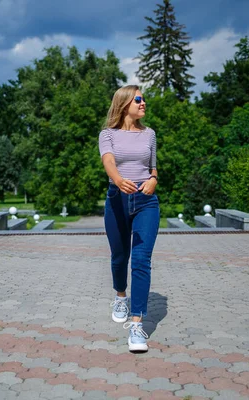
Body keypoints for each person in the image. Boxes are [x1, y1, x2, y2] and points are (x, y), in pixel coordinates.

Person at [98, 85, 160, 352]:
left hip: (146, 200)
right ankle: (120, 296)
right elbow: (108, 161)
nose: (143, 102)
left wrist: (154, 180)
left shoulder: (150, 134)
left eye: (143, 98)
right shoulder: (107, 134)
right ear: (124, 103)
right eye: (138, 99)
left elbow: (153, 166)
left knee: (141, 259)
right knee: (119, 255)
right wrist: (118, 179)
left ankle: (137, 325)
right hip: (118, 198)